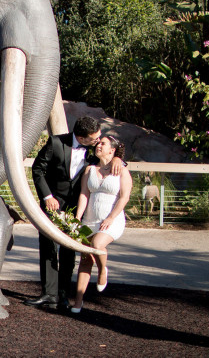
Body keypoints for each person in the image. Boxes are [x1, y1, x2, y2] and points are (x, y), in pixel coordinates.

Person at [25, 116, 123, 310]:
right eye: (94, 138)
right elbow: (38, 169)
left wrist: (119, 157)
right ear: (82, 136)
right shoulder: (56, 142)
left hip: (77, 208)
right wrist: (47, 197)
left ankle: (63, 295)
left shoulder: (95, 150)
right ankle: (48, 294)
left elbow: (113, 152)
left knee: (69, 250)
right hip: (52, 204)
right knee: (48, 247)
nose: (98, 140)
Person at [70, 135, 132, 314]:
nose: (98, 145)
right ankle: (78, 302)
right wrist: (78, 218)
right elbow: (84, 194)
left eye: (103, 144)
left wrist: (111, 217)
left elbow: (124, 197)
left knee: (97, 245)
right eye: (98, 143)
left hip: (111, 219)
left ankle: (103, 269)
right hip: (90, 219)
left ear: (112, 150)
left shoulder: (121, 169)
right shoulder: (90, 169)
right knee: (85, 259)